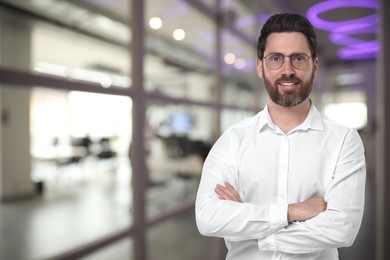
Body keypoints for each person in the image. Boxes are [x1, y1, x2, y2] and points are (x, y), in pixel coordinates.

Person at [195, 13, 366, 260]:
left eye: (298, 58)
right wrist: (291, 212)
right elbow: (208, 217)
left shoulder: (343, 141)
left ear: (314, 66)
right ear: (259, 66)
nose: (287, 70)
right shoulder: (233, 140)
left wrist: (250, 224)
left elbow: (342, 228)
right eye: (275, 58)